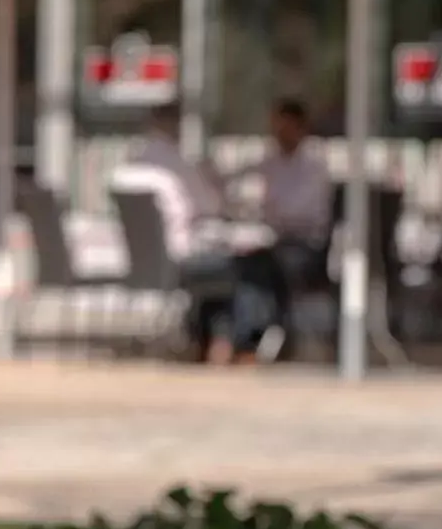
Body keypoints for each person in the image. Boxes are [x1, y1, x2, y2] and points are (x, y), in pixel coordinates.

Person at [108, 103, 247, 363]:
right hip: (178, 259)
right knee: (232, 268)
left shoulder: (126, 170)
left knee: (213, 267)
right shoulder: (173, 168)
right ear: (176, 126)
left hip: (141, 265)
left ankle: (198, 340)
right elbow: (211, 206)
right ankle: (220, 345)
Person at [230, 98, 333, 358]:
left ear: (300, 128)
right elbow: (238, 179)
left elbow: (298, 212)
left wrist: (265, 211)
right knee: (247, 264)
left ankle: (251, 341)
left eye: (285, 127)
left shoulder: (314, 167)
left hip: (306, 245)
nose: (279, 134)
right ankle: (248, 338)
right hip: (274, 242)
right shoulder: (271, 162)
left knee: (262, 267)